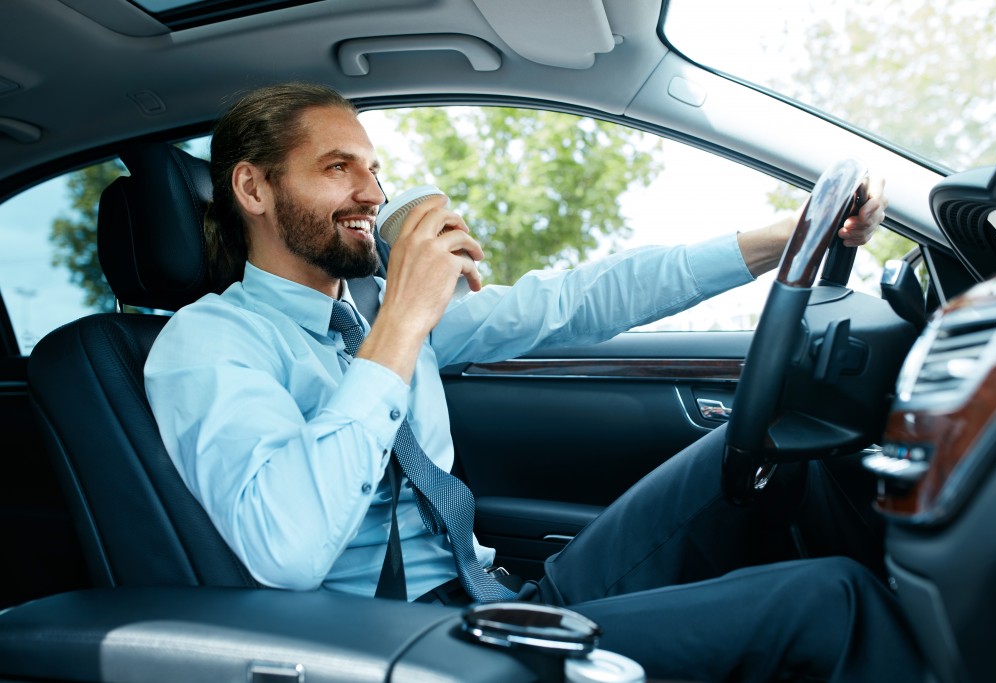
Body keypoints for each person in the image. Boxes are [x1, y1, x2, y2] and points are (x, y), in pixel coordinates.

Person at [144, 82, 925, 682]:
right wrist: (400, 326)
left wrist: (783, 240)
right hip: (406, 647)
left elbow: (576, 299)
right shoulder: (207, 345)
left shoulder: (381, 310)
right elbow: (288, 548)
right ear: (253, 189)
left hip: (498, 599)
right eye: (338, 168)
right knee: (836, 601)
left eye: (375, 170)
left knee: (753, 456)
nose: (373, 195)